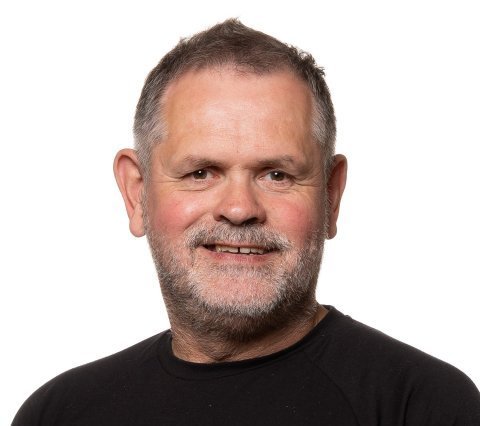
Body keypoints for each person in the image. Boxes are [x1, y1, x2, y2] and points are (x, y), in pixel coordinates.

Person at [12, 18, 480, 426]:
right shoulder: (59, 414)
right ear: (137, 194)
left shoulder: (425, 407)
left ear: (331, 195)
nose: (239, 209)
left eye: (277, 175)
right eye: (201, 173)